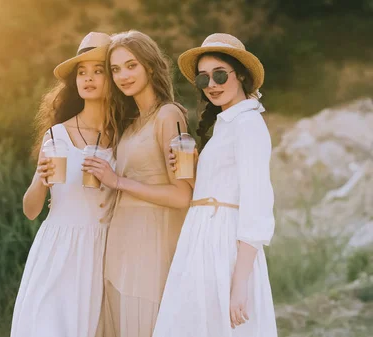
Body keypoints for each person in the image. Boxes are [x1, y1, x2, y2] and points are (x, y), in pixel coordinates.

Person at [152, 33, 277, 337]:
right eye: (203, 79)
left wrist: (240, 282)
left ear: (242, 76)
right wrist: (192, 169)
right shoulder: (226, 125)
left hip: (226, 244)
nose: (212, 84)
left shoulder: (248, 125)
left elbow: (256, 204)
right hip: (201, 237)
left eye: (220, 74)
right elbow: (214, 191)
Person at [82, 30, 193, 337]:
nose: (123, 76)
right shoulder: (130, 123)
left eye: (131, 65)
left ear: (151, 67)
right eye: (115, 69)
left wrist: (118, 181)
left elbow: (183, 195)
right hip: (121, 245)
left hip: (152, 247)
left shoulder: (169, 116)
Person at [11, 32, 116, 337]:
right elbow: (30, 210)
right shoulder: (56, 136)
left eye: (99, 71)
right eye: (82, 72)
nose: (89, 79)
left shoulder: (125, 136)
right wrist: (41, 182)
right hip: (59, 247)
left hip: (105, 248)